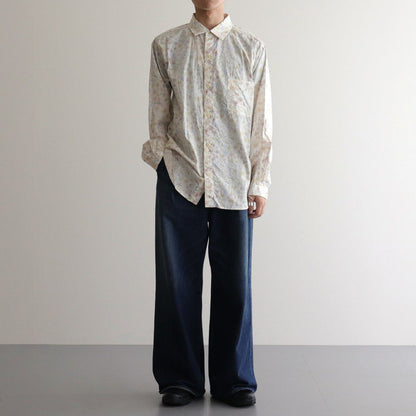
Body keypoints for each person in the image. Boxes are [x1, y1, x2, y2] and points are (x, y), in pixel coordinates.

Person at [141, 0, 272, 408]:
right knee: (176, 283)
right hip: (180, 179)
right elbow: (158, 116)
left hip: (235, 183)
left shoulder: (252, 48)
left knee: (236, 284)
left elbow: (261, 122)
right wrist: (163, 162)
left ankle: (235, 380)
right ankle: (180, 378)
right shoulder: (166, 46)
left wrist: (260, 182)